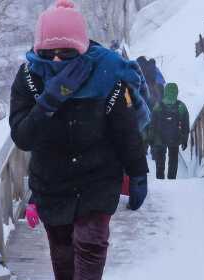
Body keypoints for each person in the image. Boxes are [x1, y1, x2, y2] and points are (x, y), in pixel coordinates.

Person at [9, 0, 149, 279]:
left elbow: (125, 131)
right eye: (49, 53)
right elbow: (23, 137)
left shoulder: (106, 74)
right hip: (51, 184)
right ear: (38, 49)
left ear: (81, 47)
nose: (57, 60)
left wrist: (137, 174)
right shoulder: (28, 78)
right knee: (63, 259)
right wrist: (50, 99)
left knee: (91, 245)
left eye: (66, 52)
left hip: (97, 181)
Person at [149, 82, 189, 179]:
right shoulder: (181, 106)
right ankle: (172, 179)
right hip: (175, 138)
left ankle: (160, 178)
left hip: (159, 138)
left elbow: (152, 124)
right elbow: (185, 125)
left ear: (165, 92)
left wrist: (151, 139)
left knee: (160, 159)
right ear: (176, 92)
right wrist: (184, 140)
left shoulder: (158, 105)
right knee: (173, 159)